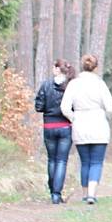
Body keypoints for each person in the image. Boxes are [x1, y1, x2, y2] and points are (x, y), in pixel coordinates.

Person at [60, 54, 112, 205]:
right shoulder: (100, 84)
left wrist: (74, 118)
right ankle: (92, 194)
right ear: (96, 68)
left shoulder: (74, 84)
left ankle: (85, 193)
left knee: (85, 161)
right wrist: (104, 115)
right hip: (99, 125)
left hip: (80, 125)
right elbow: (111, 107)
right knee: (97, 162)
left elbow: (64, 108)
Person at [34, 59, 76, 204]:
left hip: (49, 127)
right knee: (61, 161)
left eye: (54, 66)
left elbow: (38, 107)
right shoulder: (70, 86)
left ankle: (53, 191)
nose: (52, 69)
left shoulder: (46, 85)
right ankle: (57, 194)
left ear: (58, 69)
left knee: (51, 159)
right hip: (65, 127)